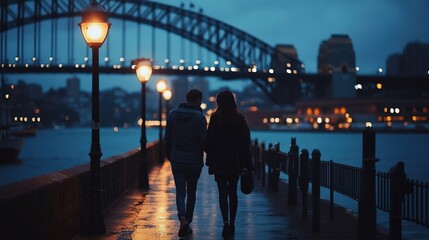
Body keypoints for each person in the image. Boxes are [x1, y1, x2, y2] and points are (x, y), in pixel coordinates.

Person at [204, 90, 254, 239]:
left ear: (218, 102)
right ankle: (232, 223)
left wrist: (204, 147)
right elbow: (245, 143)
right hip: (234, 162)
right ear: (233, 101)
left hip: (219, 162)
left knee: (222, 193)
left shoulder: (215, 118)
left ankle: (225, 222)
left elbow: (209, 141)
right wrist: (247, 163)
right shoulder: (240, 119)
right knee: (233, 193)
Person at [164, 89, 207, 238]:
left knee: (180, 191)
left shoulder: (172, 114)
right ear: (198, 100)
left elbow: (167, 139)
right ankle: (188, 220)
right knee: (192, 191)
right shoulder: (200, 117)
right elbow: (203, 141)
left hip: (177, 158)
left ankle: (182, 218)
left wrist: (170, 156)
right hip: (194, 160)